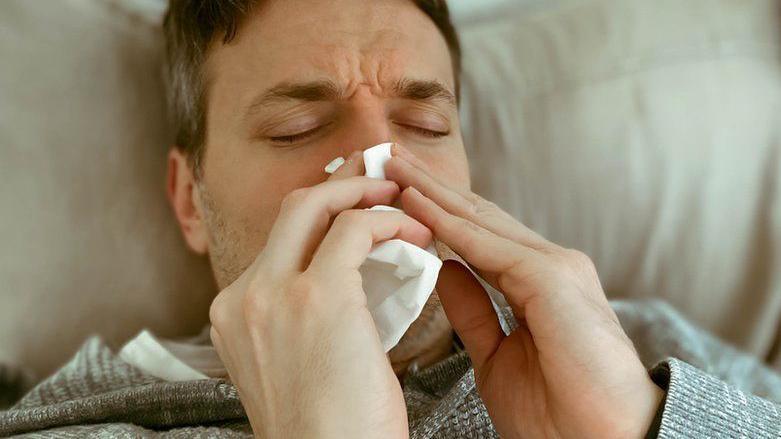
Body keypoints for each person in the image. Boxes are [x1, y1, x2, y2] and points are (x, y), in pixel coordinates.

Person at [2, 0, 781, 437]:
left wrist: (644, 427)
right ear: (188, 197)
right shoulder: (79, 426)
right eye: (296, 131)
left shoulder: (647, 351)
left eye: (427, 127)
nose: (380, 165)